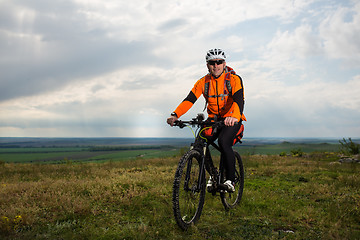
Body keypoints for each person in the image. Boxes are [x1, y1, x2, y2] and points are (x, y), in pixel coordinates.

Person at [166, 48, 246, 192]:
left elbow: (239, 100)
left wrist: (234, 116)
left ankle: (231, 180)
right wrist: (175, 114)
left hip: (232, 119)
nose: (216, 66)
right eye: (212, 63)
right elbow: (190, 100)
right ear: (207, 65)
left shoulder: (234, 79)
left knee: (223, 142)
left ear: (224, 63)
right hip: (213, 120)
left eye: (219, 62)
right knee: (199, 143)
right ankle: (214, 175)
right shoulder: (203, 82)